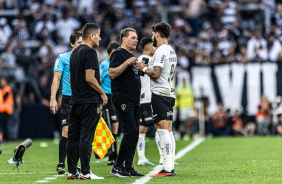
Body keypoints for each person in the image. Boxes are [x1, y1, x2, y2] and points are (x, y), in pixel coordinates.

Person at [67, 23, 107, 180]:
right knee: (86, 137)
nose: (100, 38)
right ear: (92, 36)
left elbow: (71, 79)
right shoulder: (90, 52)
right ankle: (85, 172)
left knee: (73, 138)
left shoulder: (74, 52)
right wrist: (102, 93)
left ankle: (72, 171)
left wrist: (77, 92)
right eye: (98, 35)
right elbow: (90, 78)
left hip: (75, 101)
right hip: (89, 102)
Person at [137, 21, 177, 177]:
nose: (152, 36)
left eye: (153, 34)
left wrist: (144, 68)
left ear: (158, 34)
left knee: (162, 130)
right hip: (168, 92)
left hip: (159, 94)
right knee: (167, 129)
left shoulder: (161, 51)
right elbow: (171, 74)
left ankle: (167, 168)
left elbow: (156, 73)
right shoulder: (171, 50)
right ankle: (170, 164)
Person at [109, 28, 143, 177]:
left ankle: (128, 166)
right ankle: (117, 166)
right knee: (130, 132)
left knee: (134, 134)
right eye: (133, 38)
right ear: (124, 39)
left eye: (137, 38)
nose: (136, 40)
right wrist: (127, 63)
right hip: (122, 99)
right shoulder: (118, 54)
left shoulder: (132, 56)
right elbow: (112, 73)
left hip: (135, 100)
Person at [49, 31, 82, 174]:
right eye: (79, 43)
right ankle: (61, 164)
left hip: (83, 99)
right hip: (68, 99)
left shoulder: (86, 58)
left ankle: (74, 165)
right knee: (66, 131)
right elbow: (56, 79)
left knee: (81, 134)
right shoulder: (63, 58)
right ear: (72, 44)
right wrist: (52, 98)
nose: (81, 46)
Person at [99, 41, 120, 166]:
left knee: (115, 126)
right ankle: (111, 155)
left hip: (115, 97)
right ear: (111, 52)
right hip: (106, 97)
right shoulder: (104, 65)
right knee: (109, 127)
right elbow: (98, 81)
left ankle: (114, 155)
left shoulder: (116, 64)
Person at [136, 37, 156, 166]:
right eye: (154, 47)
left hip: (140, 97)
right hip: (149, 97)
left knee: (142, 129)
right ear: (148, 48)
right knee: (160, 126)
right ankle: (164, 158)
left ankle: (141, 157)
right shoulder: (150, 60)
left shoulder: (137, 60)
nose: (155, 49)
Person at [0, 77, 14, 143]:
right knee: (3, 125)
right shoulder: (2, 89)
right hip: (2, 110)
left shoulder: (7, 89)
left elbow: (5, 97)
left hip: (6, 110)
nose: (2, 82)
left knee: (6, 125)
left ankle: (8, 138)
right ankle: (5, 138)